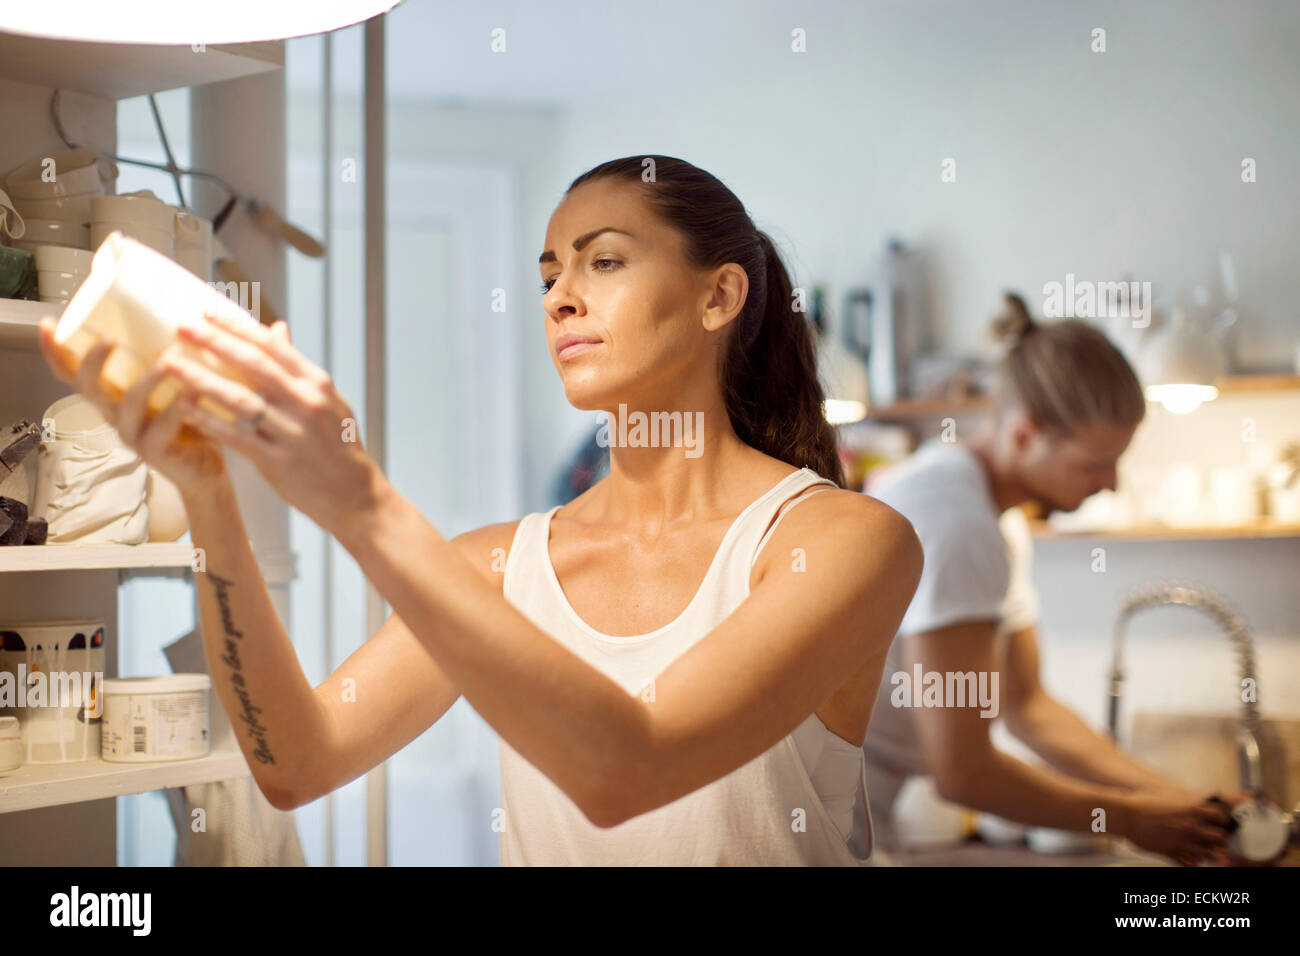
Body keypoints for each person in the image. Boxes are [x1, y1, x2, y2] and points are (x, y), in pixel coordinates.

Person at [38, 155, 923, 866]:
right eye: (549, 275)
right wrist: (207, 496)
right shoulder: (498, 567)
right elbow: (294, 763)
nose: (559, 296)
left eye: (604, 261)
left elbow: (628, 767)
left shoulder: (839, 541)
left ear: (719, 297)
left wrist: (361, 502)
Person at [861, 294, 1238, 866]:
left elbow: (1029, 707)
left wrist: (1183, 804)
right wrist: (1133, 820)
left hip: (861, 817)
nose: (1111, 484)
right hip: (809, 824)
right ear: (1024, 435)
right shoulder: (957, 522)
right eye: (1093, 465)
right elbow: (962, 774)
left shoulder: (993, 520)